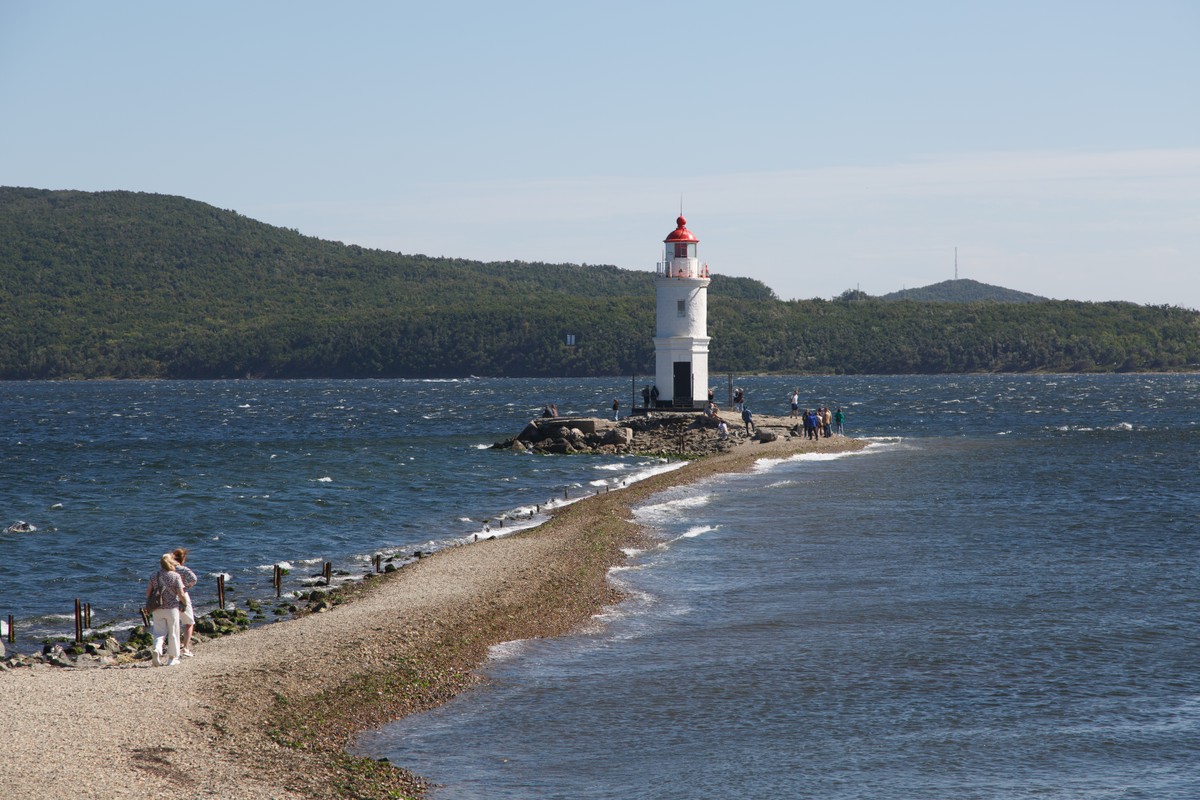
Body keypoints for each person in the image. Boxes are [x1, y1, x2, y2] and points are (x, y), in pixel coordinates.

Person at [145, 553, 187, 667]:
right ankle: (172, 658)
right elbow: (181, 593)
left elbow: (148, 593)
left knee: (159, 632)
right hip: (172, 608)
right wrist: (185, 603)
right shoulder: (175, 576)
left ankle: (157, 650)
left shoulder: (154, 575)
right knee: (173, 633)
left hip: (157, 608)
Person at [172, 547, 198, 657]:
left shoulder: (169, 569)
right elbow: (194, 579)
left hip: (170, 596)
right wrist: (185, 588)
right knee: (189, 622)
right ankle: (186, 648)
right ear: (183, 559)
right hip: (183, 596)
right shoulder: (183, 569)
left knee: (173, 623)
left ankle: (174, 648)